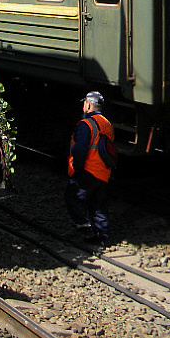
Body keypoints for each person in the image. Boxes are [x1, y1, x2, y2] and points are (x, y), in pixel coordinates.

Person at [66, 91, 116, 246]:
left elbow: (80, 149)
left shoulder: (85, 124)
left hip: (89, 170)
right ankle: (102, 236)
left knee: (72, 196)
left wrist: (77, 168)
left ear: (87, 104)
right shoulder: (107, 124)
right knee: (97, 204)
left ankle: (85, 229)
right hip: (104, 172)